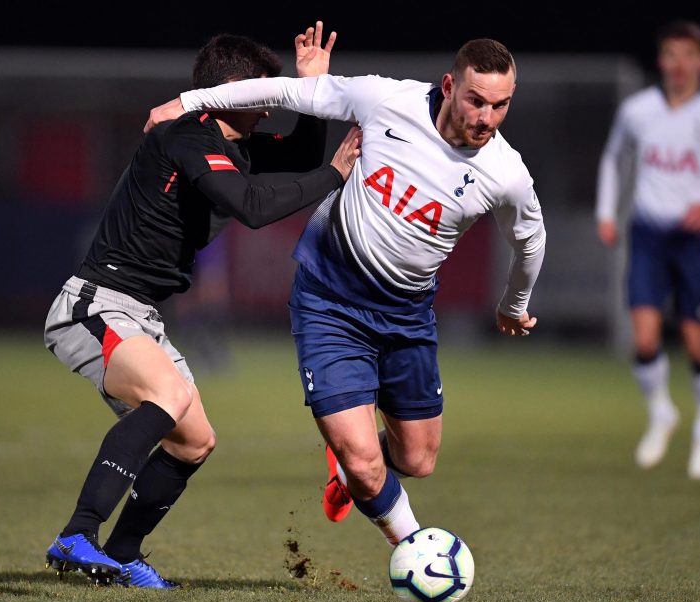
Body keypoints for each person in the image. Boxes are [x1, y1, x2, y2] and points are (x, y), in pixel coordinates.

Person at [145, 37, 545, 547]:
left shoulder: (506, 173)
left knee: (417, 460)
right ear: (450, 86)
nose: (487, 117)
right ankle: (419, 551)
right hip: (329, 296)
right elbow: (289, 92)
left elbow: (530, 239)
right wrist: (190, 101)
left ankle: (349, 474)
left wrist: (514, 305)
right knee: (365, 462)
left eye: (501, 105)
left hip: (406, 311)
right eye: (476, 100)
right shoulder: (386, 100)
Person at [43, 23, 360, 587]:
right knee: (167, 397)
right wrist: (334, 175)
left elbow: (296, 154)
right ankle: (77, 534)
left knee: (194, 440)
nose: (266, 110)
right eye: (259, 97)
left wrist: (314, 93)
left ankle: (121, 553)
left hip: (140, 313)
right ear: (228, 95)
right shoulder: (186, 135)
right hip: (95, 302)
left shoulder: (229, 143)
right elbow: (254, 207)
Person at [594, 21, 700, 480]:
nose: (678, 64)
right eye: (670, 54)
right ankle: (661, 413)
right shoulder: (638, 110)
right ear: (660, 61)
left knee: (697, 341)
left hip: (693, 240)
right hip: (647, 232)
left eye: (688, 55)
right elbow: (613, 157)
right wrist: (607, 211)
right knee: (644, 338)